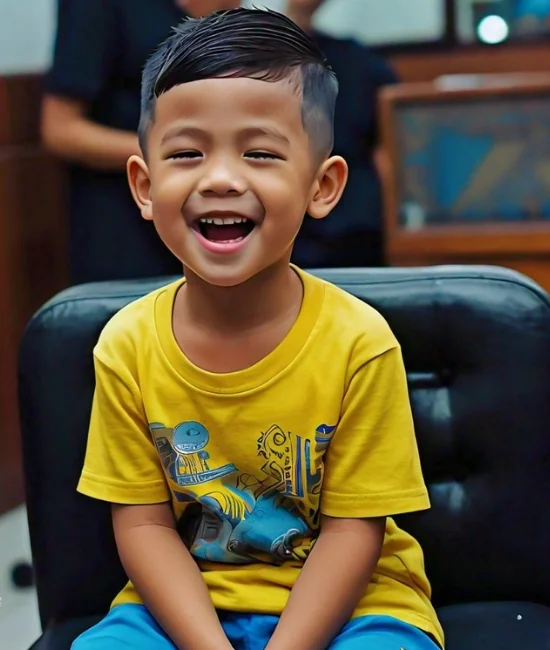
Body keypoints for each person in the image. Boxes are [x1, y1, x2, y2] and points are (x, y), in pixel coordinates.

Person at [72, 8, 443, 650]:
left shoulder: (360, 342)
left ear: (321, 185)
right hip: (183, 610)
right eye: (186, 153)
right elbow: (143, 527)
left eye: (260, 153)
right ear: (144, 183)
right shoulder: (126, 345)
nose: (220, 178)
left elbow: (355, 532)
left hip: (356, 608)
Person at [41, 0, 238, 285]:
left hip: (210, 216)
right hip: (124, 223)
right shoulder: (99, 7)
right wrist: (175, 154)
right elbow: (60, 130)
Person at [284, 0, 399, 268]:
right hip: (292, 221)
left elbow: (390, 153)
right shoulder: (253, 56)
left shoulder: (361, 64)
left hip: (354, 227)